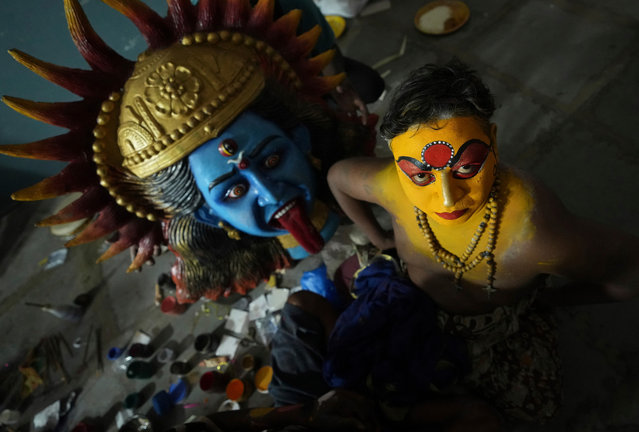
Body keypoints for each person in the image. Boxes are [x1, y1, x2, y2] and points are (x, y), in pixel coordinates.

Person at [326, 59, 639, 424]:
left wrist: (554, 299)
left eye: (465, 169)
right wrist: (378, 238)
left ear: (492, 139)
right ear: (398, 165)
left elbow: (631, 269)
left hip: (492, 329)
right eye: (420, 176)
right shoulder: (388, 185)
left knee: (538, 407)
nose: (447, 199)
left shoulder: (537, 235)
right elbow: (337, 178)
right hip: (409, 296)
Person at [0, 0, 375, 302]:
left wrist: (335, 73)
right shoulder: (218, 245)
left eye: (273, 159)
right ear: (207, 214)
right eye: (233, 190)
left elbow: (299, 10)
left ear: (299, 137)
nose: (271, 192)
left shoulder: (328, 147)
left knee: (368, 85)